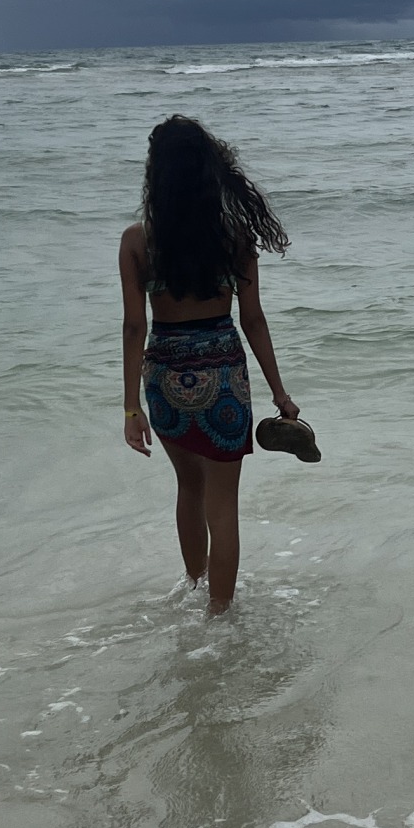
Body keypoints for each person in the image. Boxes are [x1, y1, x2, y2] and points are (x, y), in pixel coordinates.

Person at [120, 116, 300, 613]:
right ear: (208, 171)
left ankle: (194, 586)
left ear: (155, 174)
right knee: (223, 507)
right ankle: (219, 620)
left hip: (165, 377)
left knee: (187, 487)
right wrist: (280, 395)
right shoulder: (235, 238)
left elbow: (135, 327)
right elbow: (254, 320)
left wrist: (131, 407)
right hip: (222, 377)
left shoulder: (138, 241)